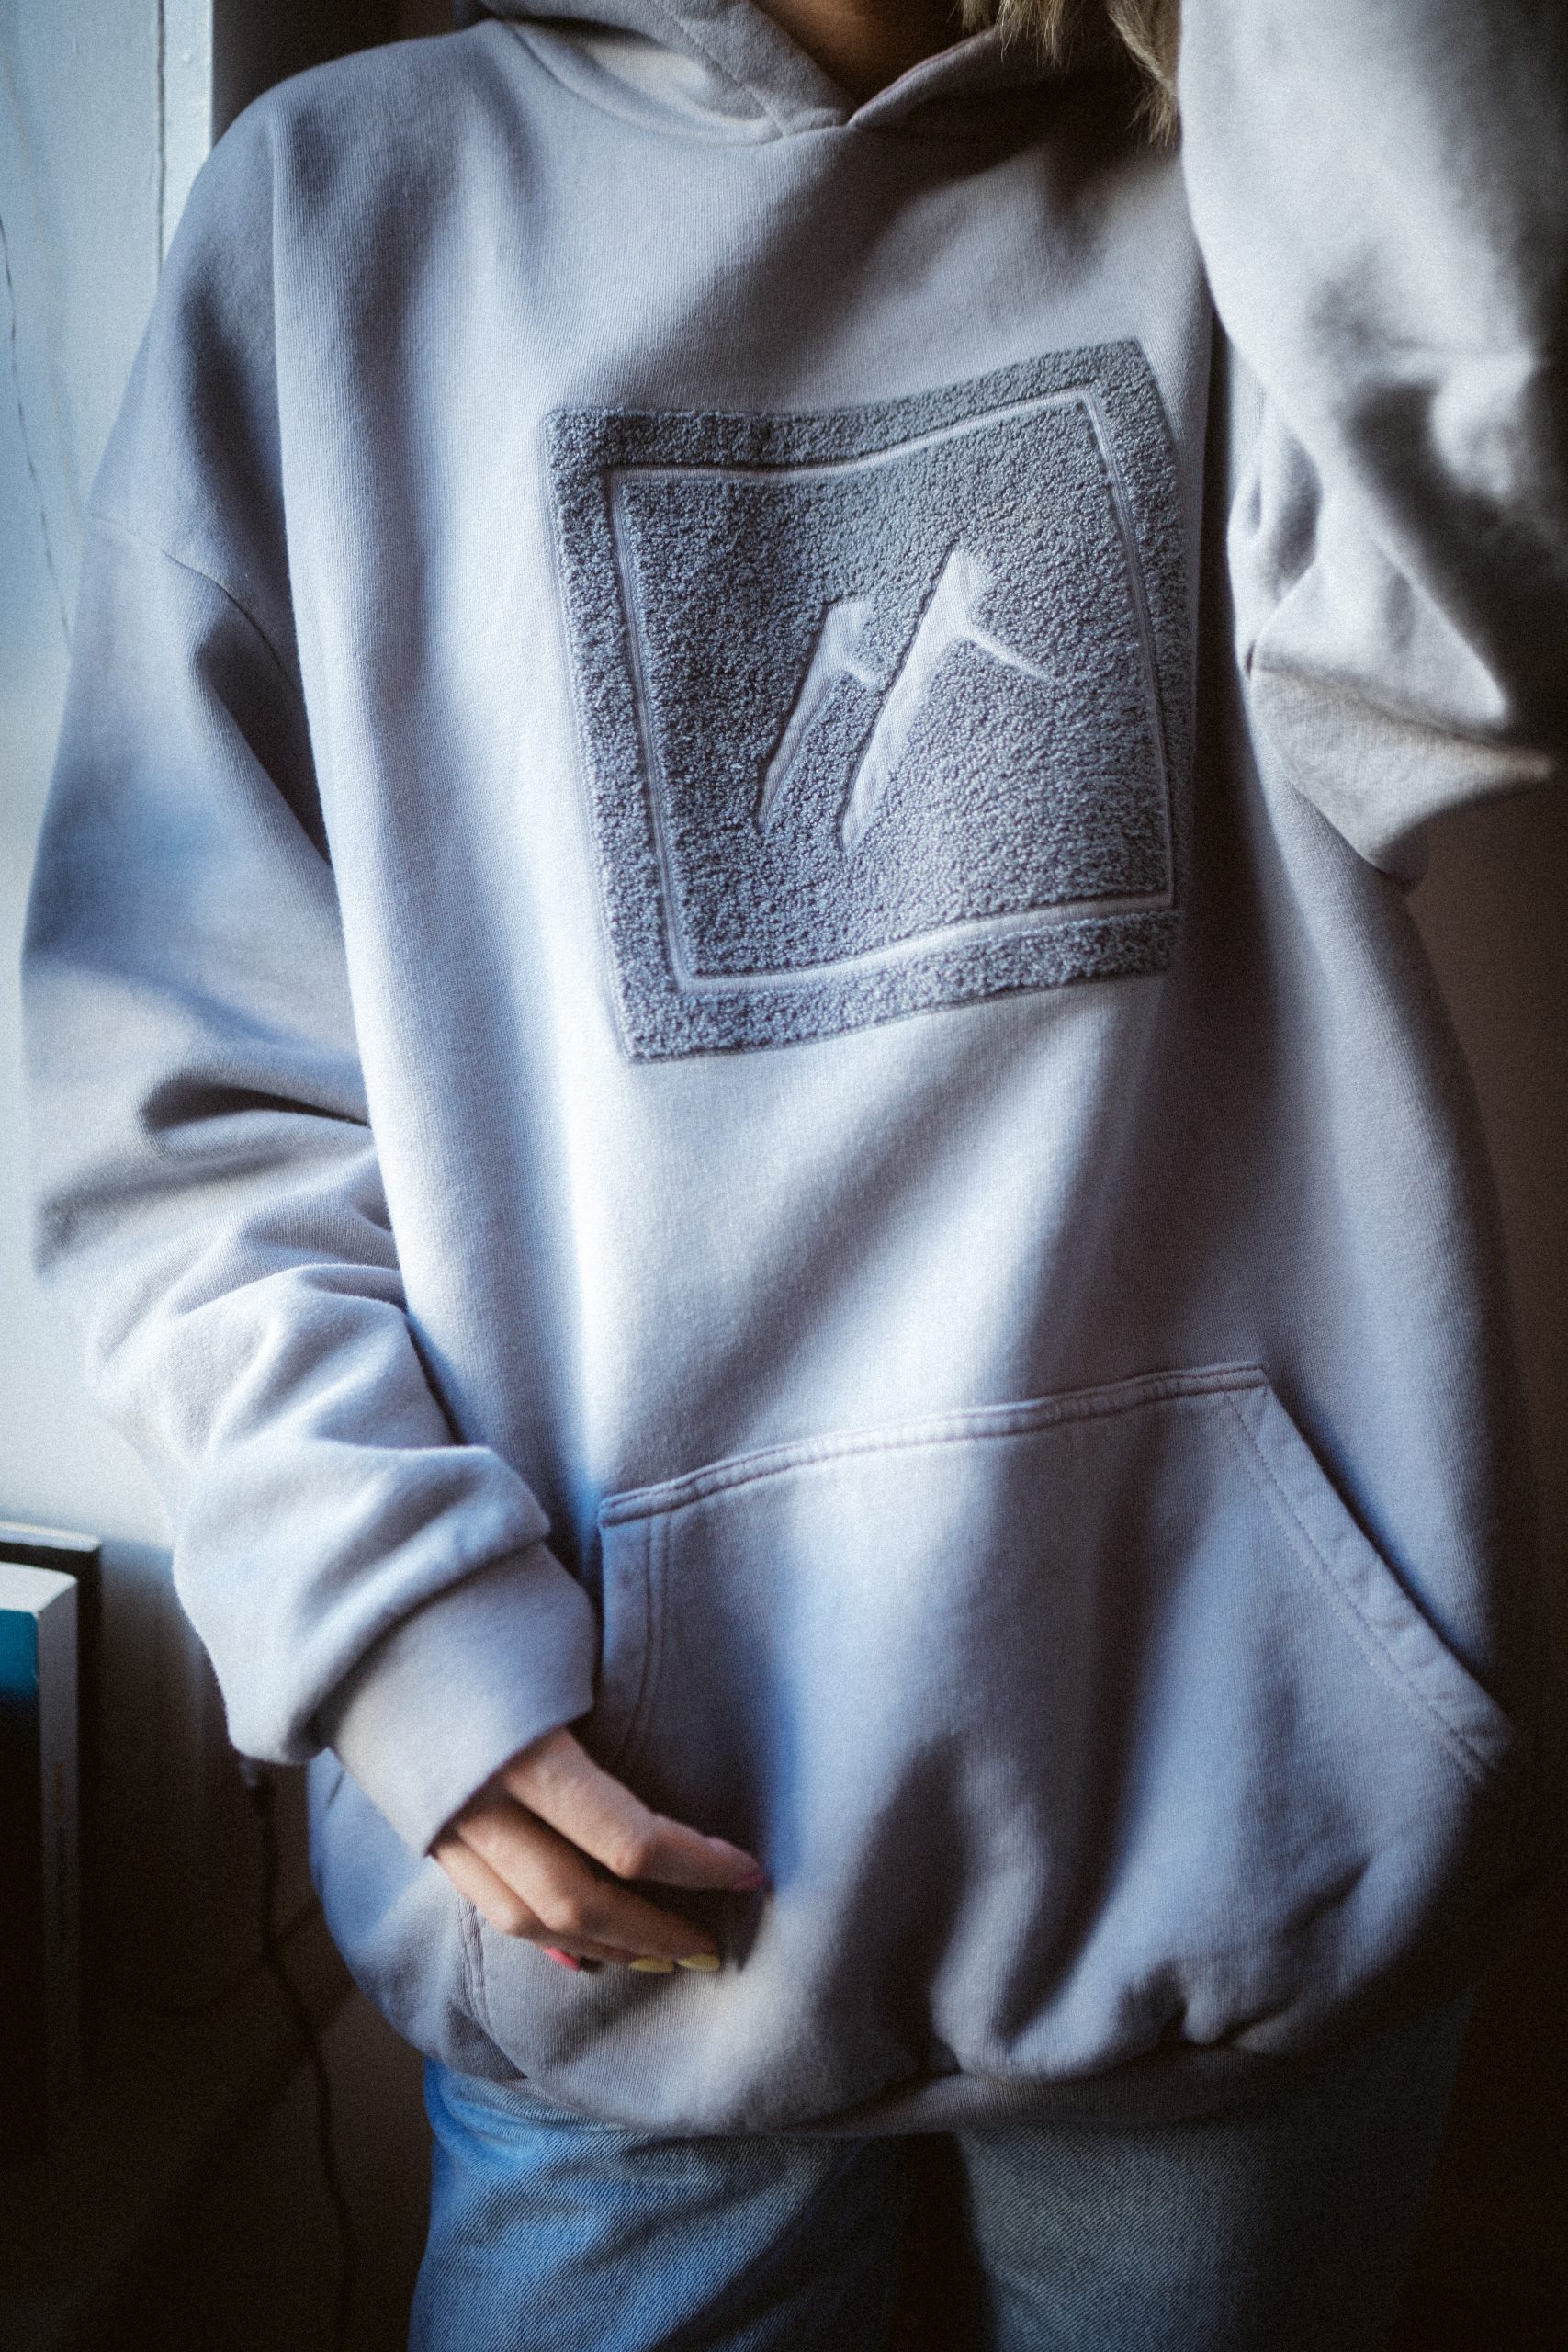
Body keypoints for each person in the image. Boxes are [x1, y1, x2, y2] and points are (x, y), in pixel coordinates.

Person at [22, 0, 1565, 2343]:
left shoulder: (1257, 172)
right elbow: (171, 1076)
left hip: (1239, 1861)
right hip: (621, 1902)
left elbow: (1480, 639)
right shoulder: (340, 211)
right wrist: (392, 1629)